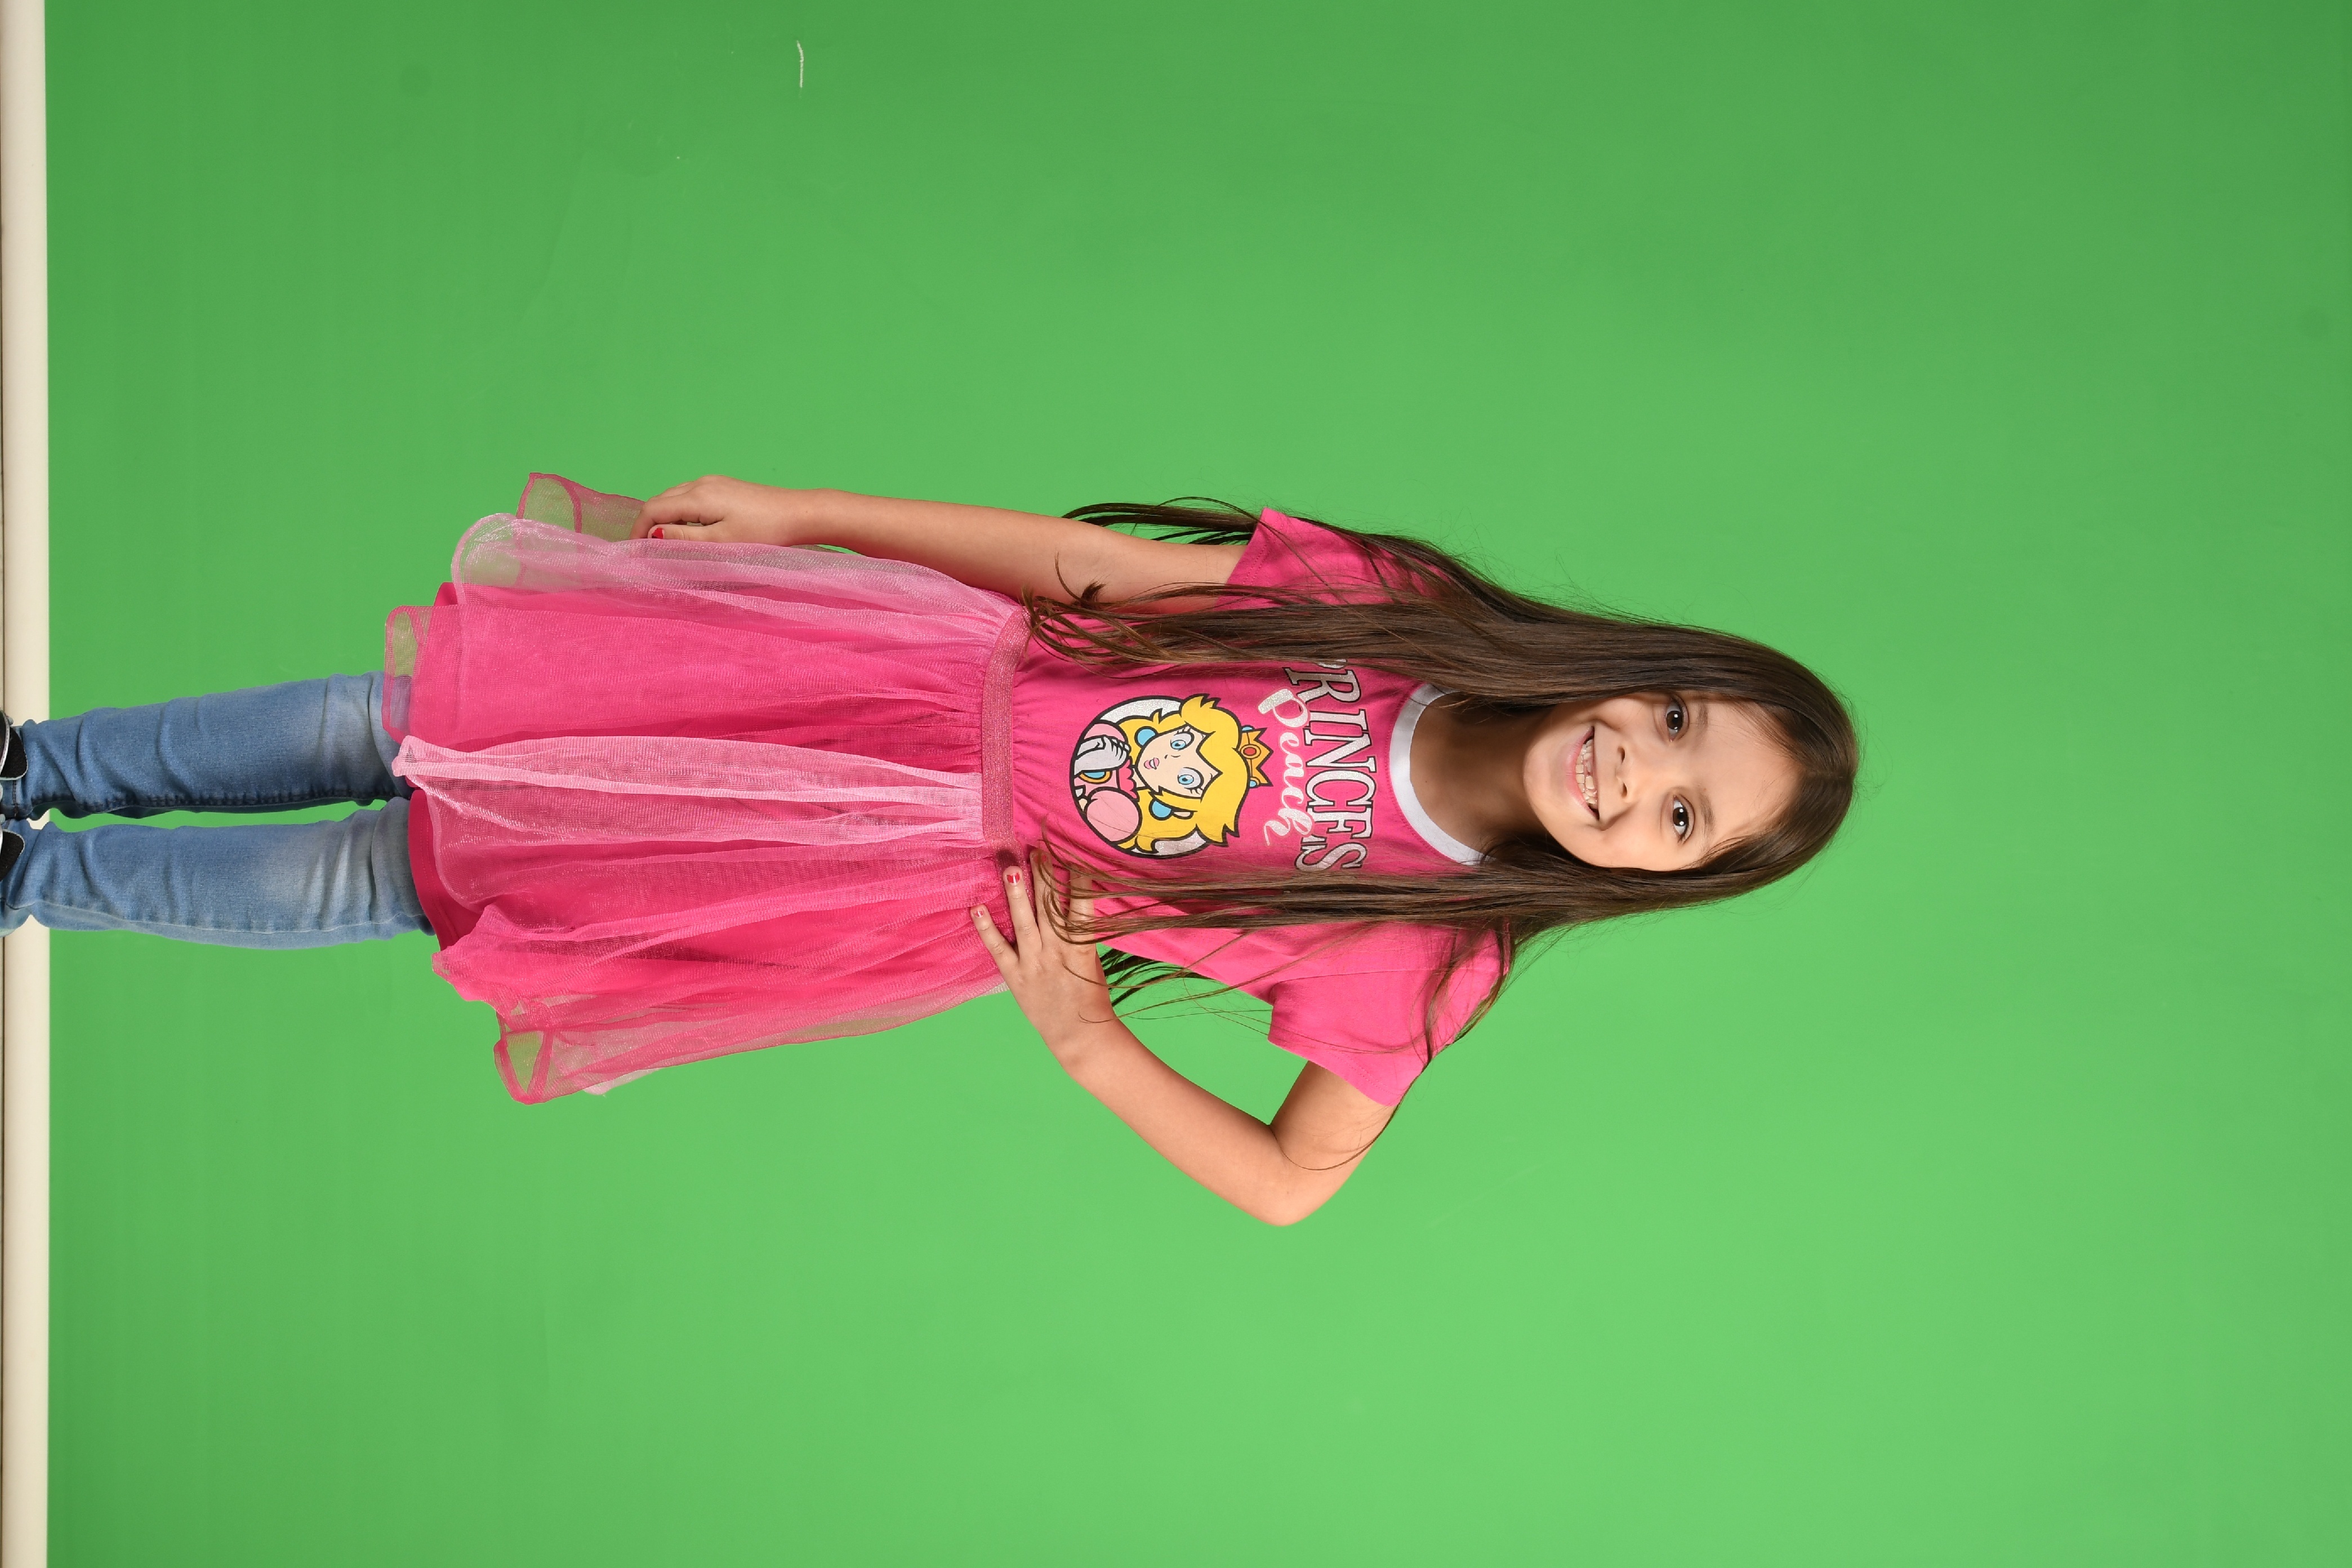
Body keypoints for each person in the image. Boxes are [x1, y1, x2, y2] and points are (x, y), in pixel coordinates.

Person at [0, 474, 1857, 1223]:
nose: (1635, 774)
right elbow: (1091, 573)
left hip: (885, 867)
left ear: (1661, 876)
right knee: (408, 715)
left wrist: (1089, 1041)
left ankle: (32, 874)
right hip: (871, 673)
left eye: (1682, 817)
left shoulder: (1423, 959)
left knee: (399, 872)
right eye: (1675, 720)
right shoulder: (1398, 608)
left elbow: (1297, 1181)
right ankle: (34, 768)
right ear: (1641, 669)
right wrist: (806, 513)